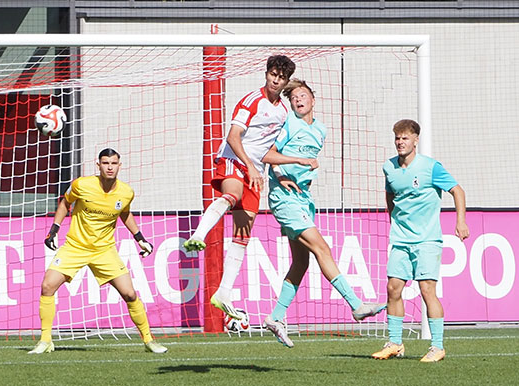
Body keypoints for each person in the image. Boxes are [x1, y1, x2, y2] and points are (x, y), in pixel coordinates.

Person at [183, 55, 317, 320]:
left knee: (243, 234)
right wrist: (251, 166)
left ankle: (223, 293)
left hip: (255, 172)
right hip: (234, 160)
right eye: (272, 75)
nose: (275, 81)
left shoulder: (282, 112)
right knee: (231, 195)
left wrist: (282, 171)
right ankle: (197, 235)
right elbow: (233, 137)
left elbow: (268, 150)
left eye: (281, 78)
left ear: (285, 81)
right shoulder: (250, 101)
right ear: (266, 74)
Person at [260, 79, 386, 348]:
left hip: (303, 198)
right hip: (285, 198)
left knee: (301, 263)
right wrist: (286, 172)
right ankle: (356, 305)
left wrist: (302, 175)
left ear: (313, 100)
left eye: (303, 96)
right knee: (323, 248)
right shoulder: (288, 125)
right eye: (294, 98)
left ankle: (276, 317)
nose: (298, 100)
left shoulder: (320, 130)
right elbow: (267, 155)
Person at [29, 148, 167, 354]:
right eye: (105, 163)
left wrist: (140, 238)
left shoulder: (126, 192)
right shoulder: (82, 185)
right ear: (98, 165)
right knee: (47, 286)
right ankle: (45, 340)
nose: (109, 167)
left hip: (104, 250)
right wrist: (54, 229)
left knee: (129, 294)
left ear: (120, 165)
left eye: (113, 163)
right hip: (76, 246)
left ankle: (149, 340)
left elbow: (124, 213)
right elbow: (66, 202)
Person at [372, 119, 469, 362]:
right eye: (397, 138)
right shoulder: (389, 168)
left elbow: (457, 190)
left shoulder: (431, 167)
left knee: (427, 290)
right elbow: (390, 193)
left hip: (427, 240)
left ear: (416, 140)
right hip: (401, 239)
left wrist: (461, 221)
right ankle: (395, 343)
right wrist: (394, 218)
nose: (400, 142)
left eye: (405, 138)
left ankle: (437, 346)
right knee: (393, 288)